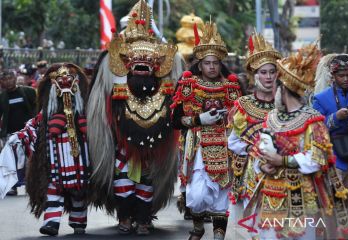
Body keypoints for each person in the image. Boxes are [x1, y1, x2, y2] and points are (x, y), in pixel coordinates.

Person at [87, 0, 179, 235]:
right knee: (123, 181)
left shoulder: (163, 72)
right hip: (122, 139)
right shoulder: (114, 67)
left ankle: (144, 219)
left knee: (146, 181)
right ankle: (125, 217)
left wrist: (161, 40)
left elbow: (173, 70)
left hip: (152, 139)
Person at [246, 44, 348, 239]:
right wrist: (262, 166)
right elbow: (258, 153)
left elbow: (319, 158)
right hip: (272, 195)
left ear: (283, 90)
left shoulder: (312, 120)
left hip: (302, 197)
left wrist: (282, 161)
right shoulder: (271, 118)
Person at [0, 63, 90, 236]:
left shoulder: (84, 114)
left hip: (80, 163)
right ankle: (51, 222)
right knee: (54, 189)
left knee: (79, 191)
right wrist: (19, 138)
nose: (65, 92)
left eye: (69, 84)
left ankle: (78, 221)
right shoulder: (45, 115)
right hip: (55, 162)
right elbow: (32, 126)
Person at [171, 20, 242, 240]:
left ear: (221, 64)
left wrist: (229, 120)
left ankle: (219, 234)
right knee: (197, 194)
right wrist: (198, 119)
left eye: (216, 63)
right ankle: (199, 227)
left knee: (222, 194)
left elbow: (241, 118)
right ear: (199, 65)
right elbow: (175, 120)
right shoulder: (188, 85)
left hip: (224, 144)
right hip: (198, 146)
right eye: (207, 63)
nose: (212, 67)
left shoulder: (232, 87)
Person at [227, 32, 281, 210]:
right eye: (263, 72)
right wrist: (251, 148)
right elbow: (233, 142)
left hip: (282, 169)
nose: (268, 77)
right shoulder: (244, 104)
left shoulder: (286, 104)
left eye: (272, 72)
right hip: (252, 170)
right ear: (254, 75)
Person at [313, 53, 348, 239]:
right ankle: (329, 233)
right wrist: (334, 118)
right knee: (331, 198)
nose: (346, 79)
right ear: (333, 76)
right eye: (342, 75)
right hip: (333, 156)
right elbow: (314, 128)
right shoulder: (321, 98)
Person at [0, 69, 36, 195]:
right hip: (10, 135)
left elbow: (38, 106)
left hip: (28, 132)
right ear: (2, 82)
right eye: (5, 79)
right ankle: (13, 187)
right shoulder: (2, 97)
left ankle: (31, 186)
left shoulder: (28, 91)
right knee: (12, 161)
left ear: (16, 78)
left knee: (30, 159)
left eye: (11, 78)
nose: (8, 81)